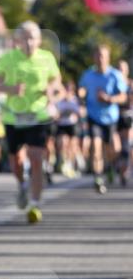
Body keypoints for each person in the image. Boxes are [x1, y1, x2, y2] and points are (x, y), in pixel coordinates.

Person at [0, 21, 62, 224]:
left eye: (33, 38)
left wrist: (52, 93)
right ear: (18, 41)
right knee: (16, 160)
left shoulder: (46, 58)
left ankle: (34, 203)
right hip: (14, 115)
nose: (29, 42)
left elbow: (57, 82)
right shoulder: (8, 59)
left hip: (38, 115)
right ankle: (22, 184)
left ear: (39, 40)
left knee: (36, 156)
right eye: (25, 38)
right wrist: (10, 89)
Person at [78, 45, 128, 194]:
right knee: (96, 146)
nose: (100, 59)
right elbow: (82, 89)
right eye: (97, 56)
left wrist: (110, 98)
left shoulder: (115, 75)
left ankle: (111, 165)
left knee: (114, 150)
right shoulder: (88, 75)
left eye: (103, 56)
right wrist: (81, 94)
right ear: (94, 57)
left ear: (108, 57)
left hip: (111, 118)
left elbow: (123, 96)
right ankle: (98, 177)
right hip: (94, 116)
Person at [54, 80, 81, 178]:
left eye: (69, 90)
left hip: (72, 124)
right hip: (62, 125)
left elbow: (80, 113)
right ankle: (63, 160)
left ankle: (70, 163)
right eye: (66, 89)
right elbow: (55, 114)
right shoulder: (59, 100)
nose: (67, 92)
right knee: (62, 143)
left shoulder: (75, 100)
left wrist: (72, 110)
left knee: (72, 146)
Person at [116, 60, 132, 186]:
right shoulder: (112, 83)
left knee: (126, 147)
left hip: (128, 117)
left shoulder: (130, 84)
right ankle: (113, 166)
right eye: (119, 68)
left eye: (123, 69)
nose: (121, 71)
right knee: (116, 147)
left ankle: (124, 173)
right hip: (114, 117)